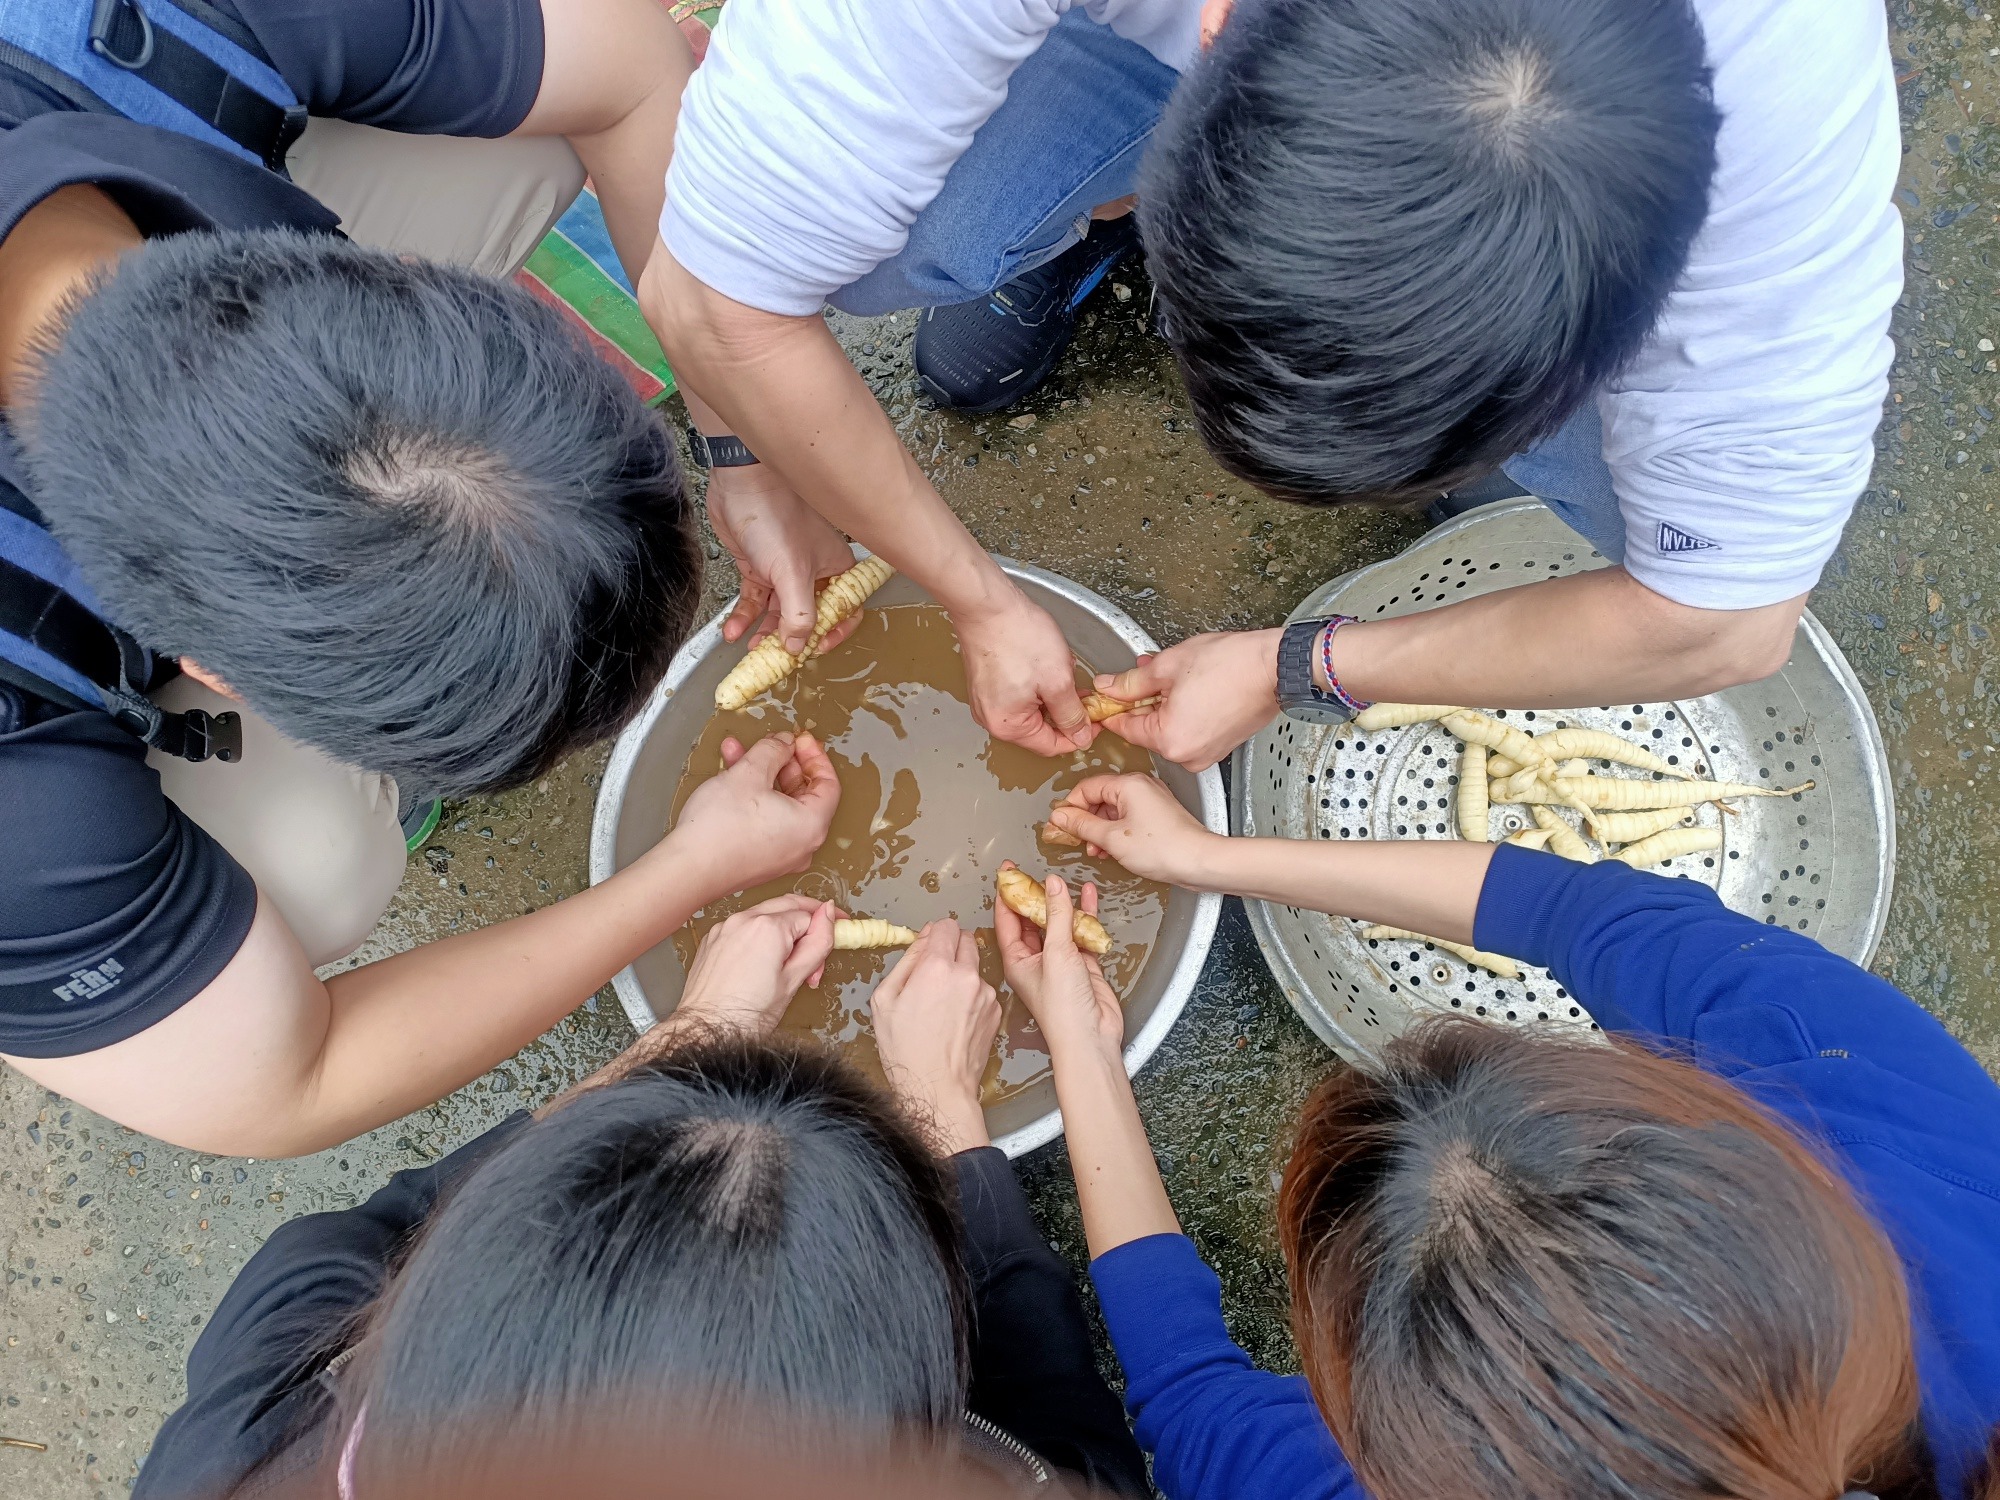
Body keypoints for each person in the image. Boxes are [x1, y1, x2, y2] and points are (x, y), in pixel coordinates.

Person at [636, 0, 1898, 753]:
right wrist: (770, 470)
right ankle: (1086, 215)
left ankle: (1497, 433)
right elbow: (712, 291)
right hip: (1119, 41)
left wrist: (1297, 665)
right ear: (1218, 28)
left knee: (1643, 518)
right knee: (853, 246)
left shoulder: (1778, 154)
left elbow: (1725, 616)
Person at [0, 0, 747, 1154]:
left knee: (548, 116)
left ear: (394, 276)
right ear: (210, 673)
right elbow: (273, 1090)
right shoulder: (24, 826)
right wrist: (685, 872)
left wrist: (746, 445)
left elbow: (632, 55)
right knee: (320, 868)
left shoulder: (132, 25)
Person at [999, 775, 2000, 1500]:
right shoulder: (1876, 1102)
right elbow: (1573, 910)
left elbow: (1189, 1392)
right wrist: (1207, 858)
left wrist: (1081, 1055)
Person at [131, 898, 1149, 1500]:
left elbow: (397, 1223)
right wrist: (945, 1111)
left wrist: (697, 1026)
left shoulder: (256, 1439)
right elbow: (1069, 1443)